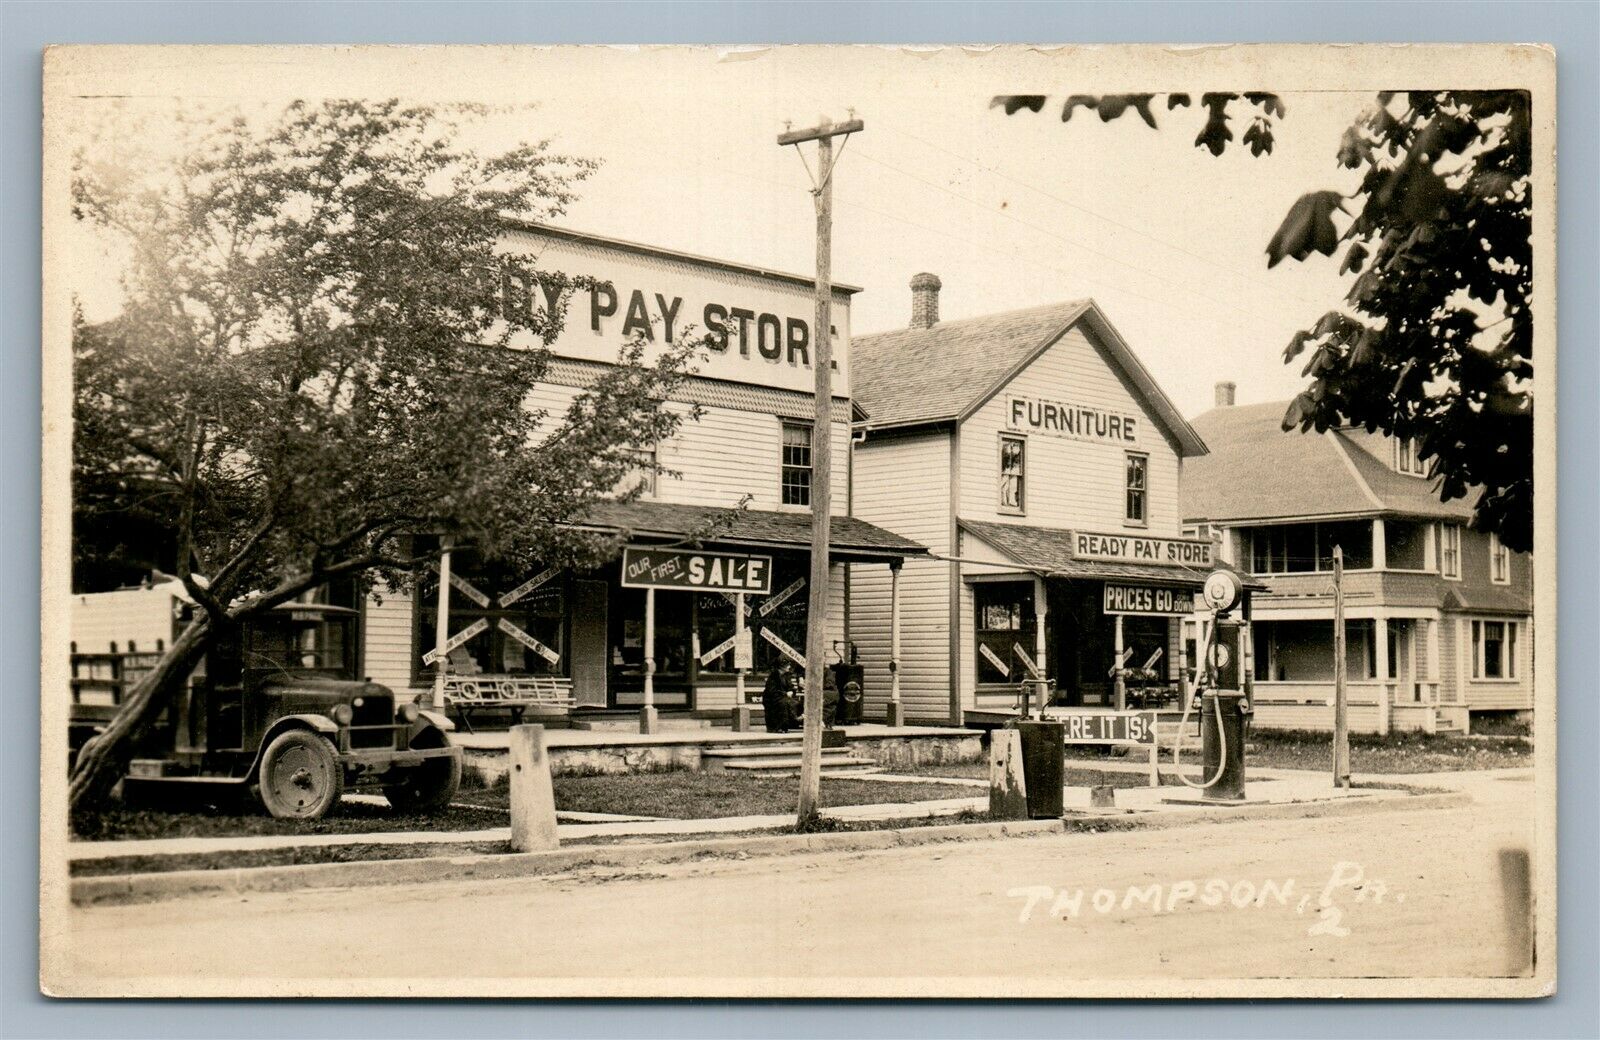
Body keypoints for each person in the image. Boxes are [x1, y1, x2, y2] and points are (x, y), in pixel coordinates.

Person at [762, 659, 802, 733]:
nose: (789, 667)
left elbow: (791, 687)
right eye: (787, 665)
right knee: (784, 703)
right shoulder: (773, 676)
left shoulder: (786, 676)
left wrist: (791, 691)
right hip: (772, 698)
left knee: (796, 703)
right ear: (782, 666)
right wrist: (785, 693)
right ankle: (781, 726)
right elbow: (771, 690)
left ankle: (795, 722)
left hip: (783, 697)